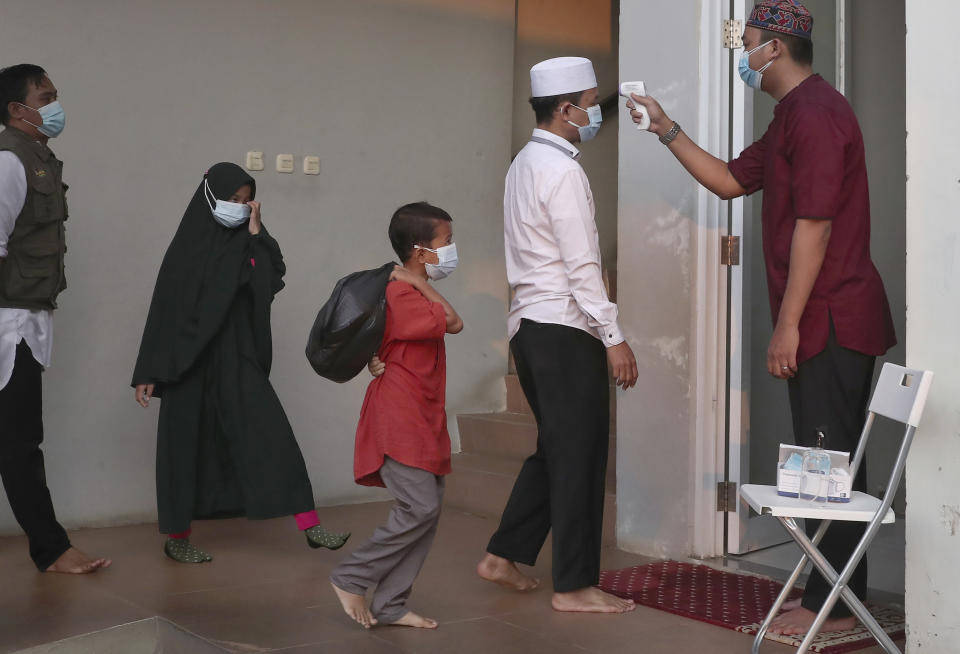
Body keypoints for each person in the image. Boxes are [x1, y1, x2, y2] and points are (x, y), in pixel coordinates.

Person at [628, 0, 896, 635]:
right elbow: (726, 179)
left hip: (832, 317)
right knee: (821, 459)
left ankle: (830, 600)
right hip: (818, 316)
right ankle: (829, 591)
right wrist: (666, 128)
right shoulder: (789, 119)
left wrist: (788, 323)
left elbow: (816, 225)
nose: (740, 52)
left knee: (828, 463)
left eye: (744, 39)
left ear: (773, 48)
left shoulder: (821, 115)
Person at [476, 57, 639, 614]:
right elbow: (582, 264)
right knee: (580, 457)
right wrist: (612, 334)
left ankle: (503, 555)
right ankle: (574, 586)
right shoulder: (564, 172)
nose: (597, 112)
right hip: (566, 330)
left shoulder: (524, 163)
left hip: (530, 327)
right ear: (567, 109)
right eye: (592, 103)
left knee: (556, 452)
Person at [131, 162, 349, 563]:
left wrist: (256, 236)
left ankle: (310, 525)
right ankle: (178, 536)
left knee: (271, 435)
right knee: (183, 448)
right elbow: (163, 311)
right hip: (187, 363)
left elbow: (269, 282)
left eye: (247, 201)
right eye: (233, 199)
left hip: (236, 355)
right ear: (210, 196)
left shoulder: (249, 243)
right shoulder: (186, 248)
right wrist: (147, 371)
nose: (241, 206)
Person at [329, 202, 463, 630]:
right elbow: (454, 321)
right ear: (421, 251)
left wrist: (414, 279)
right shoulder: (400, 292)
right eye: (446, 241)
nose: (453, 248)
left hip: (422, 411)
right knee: (419, 505)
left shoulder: (406, 287)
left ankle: (391, 604)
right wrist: (414, 282)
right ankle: (352, 576)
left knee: (428, 506)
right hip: (399, 413)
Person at [0, 64, 111, 574]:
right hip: (7, 326)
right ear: (16, 110)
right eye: (44, 97)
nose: (54, 105)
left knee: (20, 438)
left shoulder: (39, 157)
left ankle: (51, 547)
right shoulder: (8, 161)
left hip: (27, 322)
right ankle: (52, 548)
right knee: (19, 442)